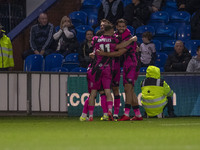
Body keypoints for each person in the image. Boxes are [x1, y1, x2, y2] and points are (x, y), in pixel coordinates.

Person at [88, 24, 138, 121]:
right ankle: (112, 113)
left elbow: (94, 51)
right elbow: (120, 47)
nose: (114, 32)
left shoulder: (96, 39)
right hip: (109, 67)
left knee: (94, 92)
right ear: (110, 30)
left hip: (96, 68)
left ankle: (90, 115)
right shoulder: (113, 40)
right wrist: (131, 40)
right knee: (109, 91)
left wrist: (94, 54)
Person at [97, 19, 143, 121]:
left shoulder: (129, 37)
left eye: (123, 26)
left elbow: (118, 52)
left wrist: (104, 54)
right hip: (126, 64)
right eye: (119, 26)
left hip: (132, 63)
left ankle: (126, 114)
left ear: (126, 27)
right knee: (130, 89)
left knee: (127, 88)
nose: (121, 28)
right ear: (116, 27)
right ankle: (138, 114)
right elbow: (114, 44)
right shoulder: (117, 36)